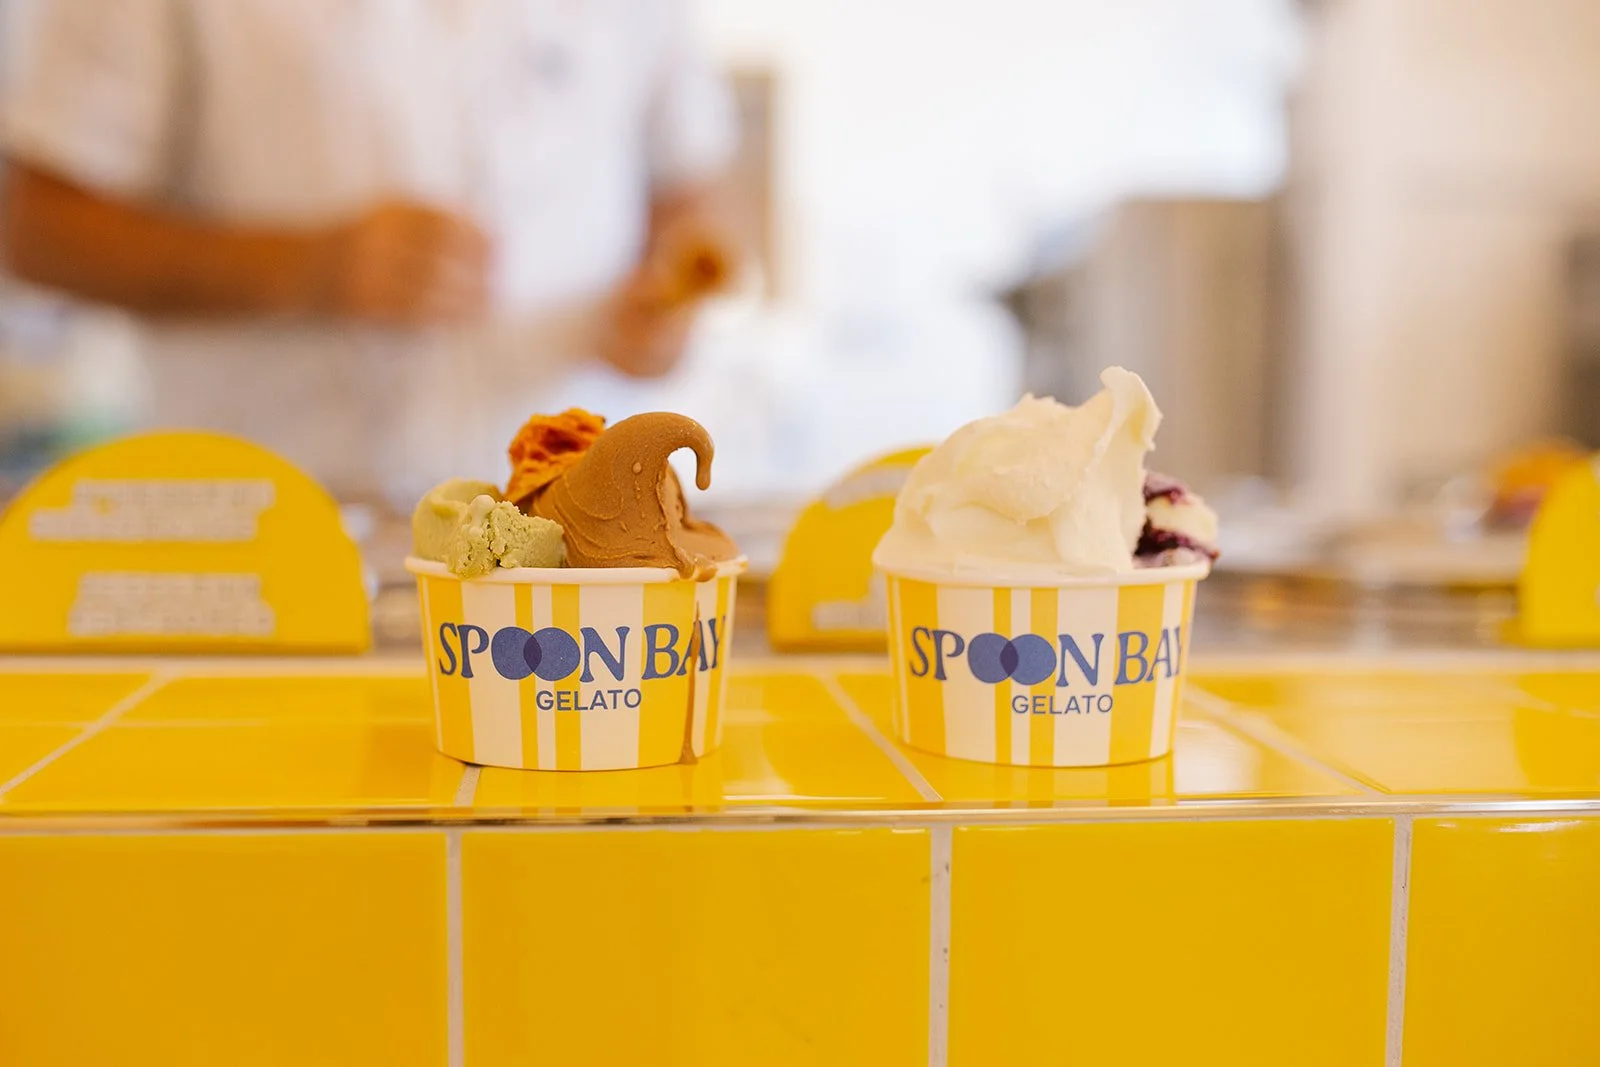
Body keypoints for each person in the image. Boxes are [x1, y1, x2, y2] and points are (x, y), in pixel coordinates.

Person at [0, 0, 739, 501]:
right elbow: (38, 226)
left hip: (579, 517)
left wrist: (665, 308)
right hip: (274, 533)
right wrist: (305, 269)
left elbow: (690, 189)